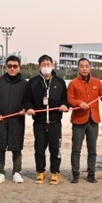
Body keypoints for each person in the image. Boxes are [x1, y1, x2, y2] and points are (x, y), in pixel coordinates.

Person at [67, 58, 102, 184]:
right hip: (78, 121)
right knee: (76, 149)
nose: (84, 68)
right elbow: (69, 100)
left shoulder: (97, 82)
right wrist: (79, 103)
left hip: (93, 120)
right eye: (81, 66)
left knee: (92, 149)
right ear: (78, 68)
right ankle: (75, 174)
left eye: (86, 66)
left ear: (90, 68)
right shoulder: (73, 84)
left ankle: (91, 174)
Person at [25, 55, 69, 185]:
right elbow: (27, 99)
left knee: (55, 149)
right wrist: (29, 108)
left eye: (48, 64)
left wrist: (64, 105)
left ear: (52, 65)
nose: (46, 66)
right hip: (39, 122)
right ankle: (40, 172)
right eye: (43, 64)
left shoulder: (60, 82)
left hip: (55, 122)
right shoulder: (32, 82)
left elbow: (65, 99)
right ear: (39, 67)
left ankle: (55, 173)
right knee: (39, 148)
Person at [0, 55, 27, 184]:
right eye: (10, 66)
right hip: (1, 118)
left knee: (16, 147)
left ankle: (17, 172)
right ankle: (0, 172)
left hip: (17, 119)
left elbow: (27, 100)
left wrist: (24, 109)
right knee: (0, 146)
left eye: (15, 66)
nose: (12, 68)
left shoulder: (24, 83)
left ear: (19, 67)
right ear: (6, 67)